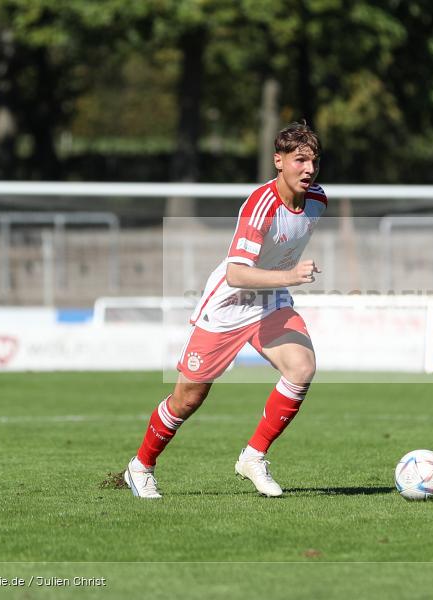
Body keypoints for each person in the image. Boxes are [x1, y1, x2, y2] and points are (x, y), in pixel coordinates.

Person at [124, 121, 326, 498]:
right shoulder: (260, 205)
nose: (309, 169)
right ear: (278, 161)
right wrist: (289, 275)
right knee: (189, 398)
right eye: (300, 160)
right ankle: (140, 466)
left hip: (269, 303)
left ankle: (253, 456)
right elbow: (235, 274)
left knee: (302, 367)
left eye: (314, 161)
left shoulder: (317, 200)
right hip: (228, 306)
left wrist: (284, 279)